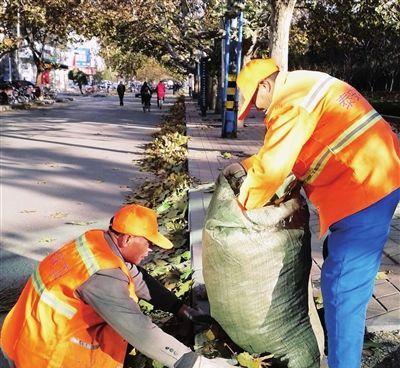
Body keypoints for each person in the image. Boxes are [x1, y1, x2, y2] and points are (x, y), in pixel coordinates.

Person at [223, 58, 399, 368]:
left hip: (365, 187)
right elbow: (287, 152)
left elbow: (274, 167)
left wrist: (239, 208)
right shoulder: (304, 84)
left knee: (342, 289)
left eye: (255, 101)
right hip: (372, 175)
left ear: (265, 86)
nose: (258, 109)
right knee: (338, 265)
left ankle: (343, 362)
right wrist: (247, 166)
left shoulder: (291, 104)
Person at [0, 204, 234, 368]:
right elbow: (140, 331)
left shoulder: (97, 242)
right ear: (127, 239)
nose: (151, 250)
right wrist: (195, 363)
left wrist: (181, 309)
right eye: (148, 243)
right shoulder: (103, 276)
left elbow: (137, 278)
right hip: (49, 356)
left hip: (24, 333)